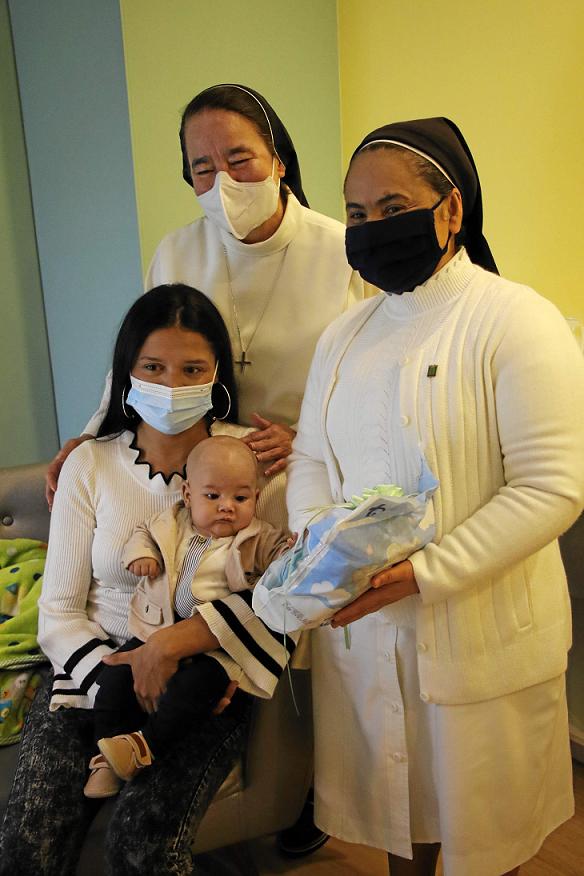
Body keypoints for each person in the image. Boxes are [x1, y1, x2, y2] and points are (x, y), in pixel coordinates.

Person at [286, 117, 584, 876]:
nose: (371, 229)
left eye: (392, 209)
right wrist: (323, 548)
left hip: (484, 636)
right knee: (399, 820)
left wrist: (423, 573)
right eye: (355, 215)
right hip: (366, 630)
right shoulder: (343, 335)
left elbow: (553, 485)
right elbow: (311, 453)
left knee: (489, 842)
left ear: (450, 211)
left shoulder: (518, 320)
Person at [0, 285, 297, 875]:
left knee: (142, 848)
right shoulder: (91, 463)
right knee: (26, 846)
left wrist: (173, 654)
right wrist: (122, 673)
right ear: (127, 374)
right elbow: (59, 610)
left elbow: (286, 597)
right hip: (88, 678)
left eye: (192, 369)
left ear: (217, 375)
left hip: (204, 687)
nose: (171, 383)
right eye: (153, 367)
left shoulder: (258, 464)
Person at [46, 82, 368, 505]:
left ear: (279, 162)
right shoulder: (177, 252)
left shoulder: (343, 251)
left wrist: (311, 438)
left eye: (239, 159)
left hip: (302, 469)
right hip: (196, 473)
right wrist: (90, 438)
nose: (224, 183)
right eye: (203, 169)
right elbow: (137, 361)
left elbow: (371, 381)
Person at [85, 435, 292, 799]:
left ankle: (145, 746)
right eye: (213, 497)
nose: (227, 507)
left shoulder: (256, 537)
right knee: (114, 677)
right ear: (187, 494)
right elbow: (142, 534)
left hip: (213, 647)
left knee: (198, 689)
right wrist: (142, 555)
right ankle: (106, 756)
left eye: (240, 498)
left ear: (256, 499)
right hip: (156, 630)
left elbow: (280, 561)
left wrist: (290, 550)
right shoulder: (171, 524)